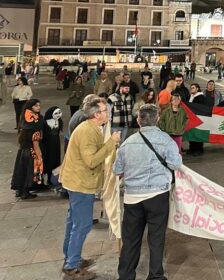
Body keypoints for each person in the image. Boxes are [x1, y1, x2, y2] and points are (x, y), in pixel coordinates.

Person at [115, 104, 182, 280]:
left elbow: (117, 169)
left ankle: (126, 275)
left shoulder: (127, 143)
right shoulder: (166, 140)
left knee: (130, 240)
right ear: (157, 119)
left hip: (132, 197)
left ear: (138, 121)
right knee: (156, 238)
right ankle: (155, 276)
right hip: (157, 196)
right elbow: (175, 164)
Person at [60, 99, 121, 279]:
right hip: (81, 184)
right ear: (96, 114)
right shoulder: (87, 131)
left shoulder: (92, 128)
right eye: (104, 110)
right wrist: (111, 143)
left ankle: (72, 257)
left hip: (77, 182)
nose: (107, 112)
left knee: (73, 222)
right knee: (82, 224)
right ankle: (72, 265)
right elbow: (92, 161)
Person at [11, 99, 44, 200]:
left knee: (21, 171)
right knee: (29, 172)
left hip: (22, 150)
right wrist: (39, 157)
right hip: (31, 152)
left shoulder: (23, 121)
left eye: (39, 105)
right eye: (36, 106)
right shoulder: (35, 126)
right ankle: (25, 192)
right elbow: (36, 143)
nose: (38, 107)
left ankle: (19, 191)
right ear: (31, 107)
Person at [41, 106, 64, 187]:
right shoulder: (45, 123)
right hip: (47, 145)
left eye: (59, 113)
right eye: (56, 113)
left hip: (56, 145)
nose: (58, 115)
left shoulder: (59, 122)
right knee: (47, 160)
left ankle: (52, 179)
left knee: (55, 161)